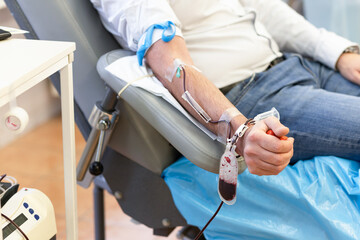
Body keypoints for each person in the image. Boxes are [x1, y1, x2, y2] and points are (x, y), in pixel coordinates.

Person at [91, 0, 360, 176]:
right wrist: (240, 131)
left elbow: (264, 9)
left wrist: (338, 53)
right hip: (254, 94)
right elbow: (169, 62)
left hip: (295, 65)